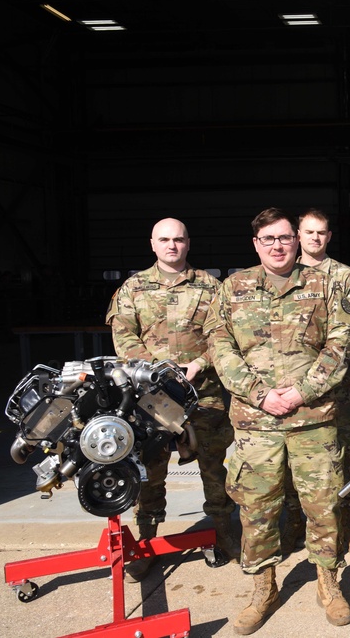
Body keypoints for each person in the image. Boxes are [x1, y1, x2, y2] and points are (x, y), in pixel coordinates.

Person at [205, 208, 350, 634]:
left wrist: (301, 392)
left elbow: (341, 344)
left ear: (297, 240)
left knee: (324, 505)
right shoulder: (233, 288)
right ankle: (263, 588)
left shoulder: (327, 284)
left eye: (285, 238)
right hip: (256, 423)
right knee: (257, 508)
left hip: (314, 419)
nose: (278, 245)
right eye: (269, 239)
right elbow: (220, 347)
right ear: (256, 244)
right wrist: (259, 394)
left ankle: (329, 583)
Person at [106, 217, 236, 582]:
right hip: (150, 400)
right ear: (152, 244)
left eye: (178, 240)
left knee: (215, 467)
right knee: (150, 473)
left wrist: (198, 363)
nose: (172, 246)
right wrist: (156, 370)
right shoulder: (133, 288)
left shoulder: (211, 287)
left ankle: (224, 532)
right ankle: (145, 544)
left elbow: (224, 336)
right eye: (164, 240)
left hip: (203, 395)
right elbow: (124, 337)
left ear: (188, 243)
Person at [277, 209, 350, 557]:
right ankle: (295, 523)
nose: (315, 238)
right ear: (297, 234)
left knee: (340, 458)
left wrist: (314, 377)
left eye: (321, 233)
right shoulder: (282, 273)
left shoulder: (345, 277)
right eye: (308, 232)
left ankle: (346, 522)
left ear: (329, 237)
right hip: (287, 391)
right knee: (288, 462)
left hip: (333, 391)